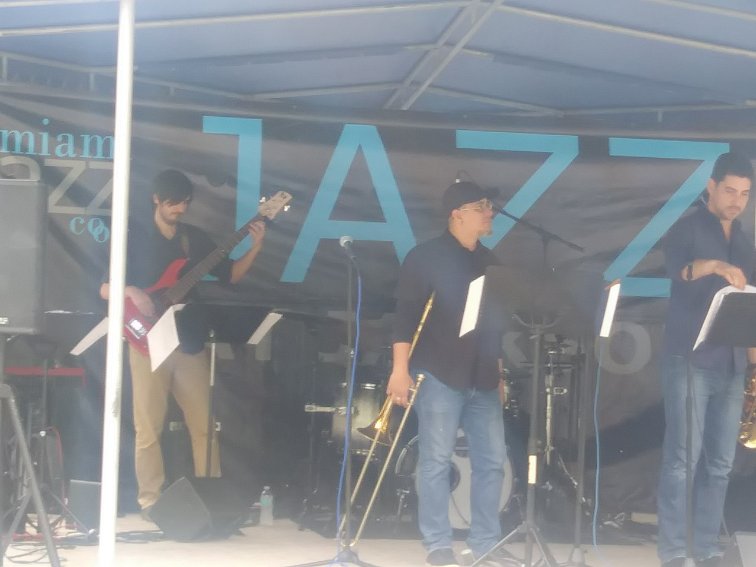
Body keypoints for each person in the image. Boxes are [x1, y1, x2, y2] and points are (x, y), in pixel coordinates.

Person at [100, 169, 266, 519]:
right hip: (146, 341)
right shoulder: (132, 236)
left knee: (204, 425)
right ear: (156, 200)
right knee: (148, 427)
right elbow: (103, 288)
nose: (180, 209)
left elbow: (232, 275)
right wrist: (131, 291)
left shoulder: (194, 239)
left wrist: (256, 247)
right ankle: (150, 502)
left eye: (185, 203)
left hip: (187, 339)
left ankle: (211, 498)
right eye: (173, 203)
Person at [387, 181, 509, 567]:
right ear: (457, 214)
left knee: (492, 461)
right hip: (438, 371)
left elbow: (494, 326)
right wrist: (399, 369)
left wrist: (500, 373)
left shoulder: (491, 261)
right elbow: (405, 317)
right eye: (480, 207)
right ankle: (438, 544)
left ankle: (485, 543)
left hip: (483, 375)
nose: (489, 212)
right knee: (436, 460)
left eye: (489, 206)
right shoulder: (425, 257)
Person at [657, 151, 756, 567]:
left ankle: (708, 548)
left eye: (745, 194)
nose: (737, 200)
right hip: (690, 359)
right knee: (683, 460)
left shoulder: (746, 241)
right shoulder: (686, 228)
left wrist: (754, 365)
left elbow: (749, 308)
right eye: (730, 191)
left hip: (732, 364)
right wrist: (714, 265)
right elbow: (678, 270)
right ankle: (674, 551)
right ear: (711, 186)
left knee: (720, 463)